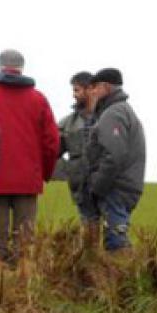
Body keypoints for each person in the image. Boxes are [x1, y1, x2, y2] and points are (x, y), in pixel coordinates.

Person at [0, 49, 60, 263]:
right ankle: (23, 284)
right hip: (28, 179)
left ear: (0, 65)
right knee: (25, 240)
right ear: (21, 67)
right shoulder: (38, 99)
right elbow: (52, 142)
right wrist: (43, 173)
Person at [85, 68, 146, 251]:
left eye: (94, 87)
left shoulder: (113, 113)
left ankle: (126, 275)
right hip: (123, 185)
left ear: (105, 87)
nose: (92, 92)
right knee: (116, 238)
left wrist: (97, 185)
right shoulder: (120, 110)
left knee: (116, 243)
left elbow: (113, 155)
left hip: (116, 188)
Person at [57, 71, 100, 236]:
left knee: (112, 235)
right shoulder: (67, 123)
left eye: (77, 90)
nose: (74, 95)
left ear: (90, 89)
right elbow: (53, 149)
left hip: (106, 187)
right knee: (89, 233)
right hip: (81, 189)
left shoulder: (107, 117)